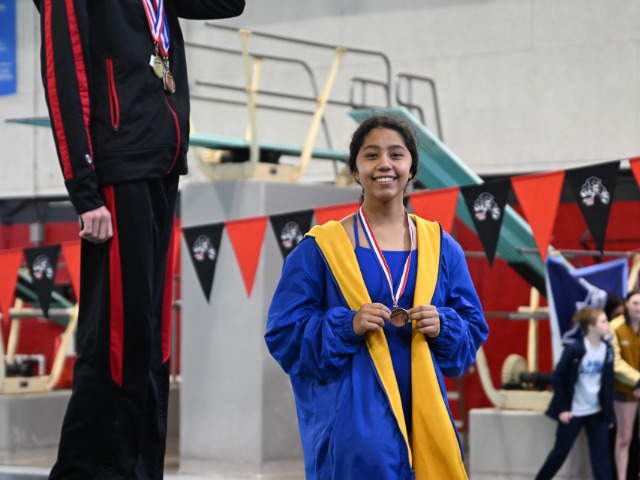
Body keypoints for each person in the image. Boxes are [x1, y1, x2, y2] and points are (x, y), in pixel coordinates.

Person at [33, 1, 245, 478]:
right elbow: (64, 76)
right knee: (117, 343)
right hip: (116, 167)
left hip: (161, 159)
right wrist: (84, 190)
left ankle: (141, 470)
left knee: (151, 342)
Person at [264, 114, 488, 479]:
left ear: (412, 167)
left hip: (425, 421)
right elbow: (284, 334)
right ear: (355, 170)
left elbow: (472, 330)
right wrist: (347, 325)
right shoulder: (320, 249)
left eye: (396, 154)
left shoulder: (442, 248)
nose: (384, 164)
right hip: (355, 432)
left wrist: (444, 325)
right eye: (371, 155)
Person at [535, 307, 614, 480]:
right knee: (560, 452)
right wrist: (563, 408)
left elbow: (608, 384)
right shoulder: (575, 349)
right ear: (591, 326)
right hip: (574, 411)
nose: (608, 324)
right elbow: (558, 378)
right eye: (603, 321)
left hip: (596, 411)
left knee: (601, 456)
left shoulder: (607, 349)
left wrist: (609, 414)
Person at [610, 290, 640, 480]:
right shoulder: (615, 327)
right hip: (623, 389)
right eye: (635, 303)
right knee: (625, 436)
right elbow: (615, 362)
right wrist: (637, 380)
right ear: (626, 304)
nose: (639, 307)